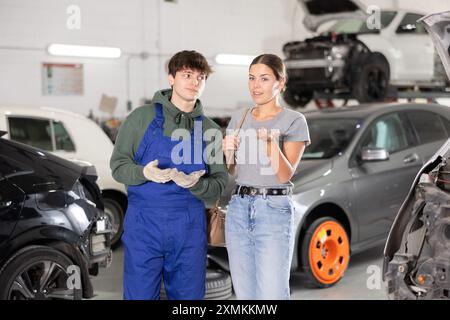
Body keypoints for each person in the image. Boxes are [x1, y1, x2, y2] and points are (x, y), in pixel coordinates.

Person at [110, 50, 228, 300]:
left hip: (189, 226)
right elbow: (118, 166)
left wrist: (195, 185)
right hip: (144, 224)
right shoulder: (141, 119)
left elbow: (219, 183)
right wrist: (144, 172)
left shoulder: (211, 130)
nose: (195, 82)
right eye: (187, 75)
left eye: (201, 77)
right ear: (171, 78)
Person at [223, 53, 310, 299]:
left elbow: (284, 175)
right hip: (238, 208)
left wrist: (272, 145)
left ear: (280, 83)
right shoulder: (239, 118)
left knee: (272, 293)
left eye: (263, 78)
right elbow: (232, 169)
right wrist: (226, 150)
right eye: (251, 78)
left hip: (273, 209)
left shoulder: (294, 121)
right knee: (244, 293)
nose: (255, 85)